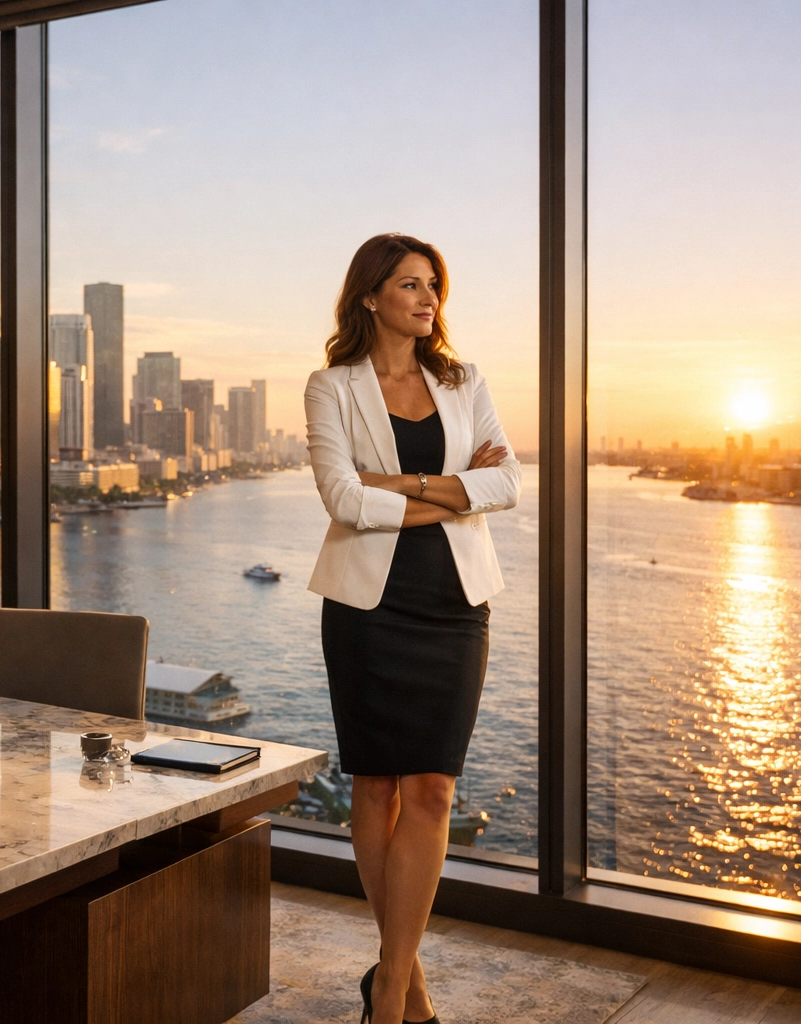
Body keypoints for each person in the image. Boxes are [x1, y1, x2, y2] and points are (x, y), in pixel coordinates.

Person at [305, 233, 521, 1024]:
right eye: (409, 285)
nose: (428, 299)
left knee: (433, 785)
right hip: (368, 610)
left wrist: (410, 486)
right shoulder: (331, 387)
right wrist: (455, 490)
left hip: (453, 605)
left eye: (434, 285)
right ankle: (406, 982)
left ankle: (390, 985)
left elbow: (509, 483)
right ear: (370, 296)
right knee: (376, 786)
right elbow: (343, 501)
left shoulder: (464, 381)